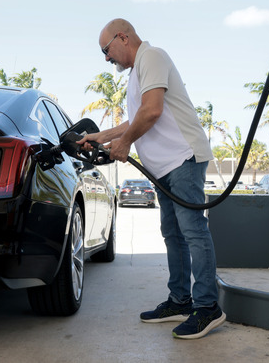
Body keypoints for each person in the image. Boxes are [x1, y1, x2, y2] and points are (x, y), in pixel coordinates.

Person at [77, 18, 226, 340]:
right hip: (164, 167)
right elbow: (138, 115)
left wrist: (126, 142)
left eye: (107, 50)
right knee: (172, 234)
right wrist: (100, 136)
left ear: (123, 37)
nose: (106, 58)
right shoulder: (138, 71)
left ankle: (207, 307)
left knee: (193, 232)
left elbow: (152, 111)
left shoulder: (152, 56)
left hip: (183, 157)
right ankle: (179, 301)